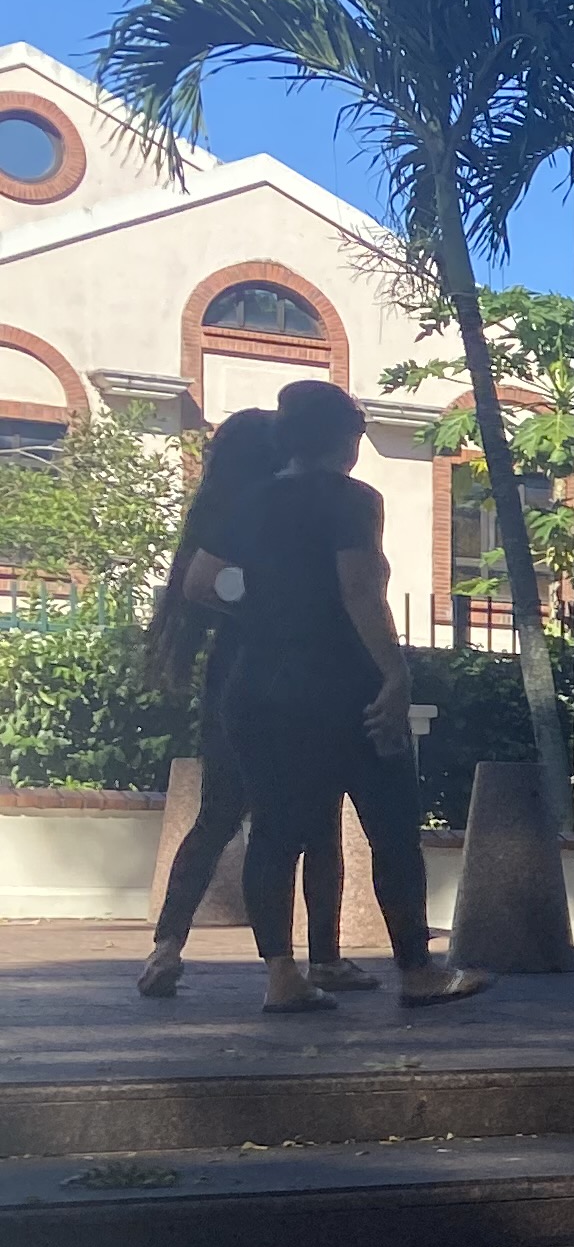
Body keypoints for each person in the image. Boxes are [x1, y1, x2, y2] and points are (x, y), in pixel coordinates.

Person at [188, 380, 483, 1014]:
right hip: (343, 686)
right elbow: (359, 591)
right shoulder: (353, 500)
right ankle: (417, 970)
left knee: (273, 831)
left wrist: (262, 608)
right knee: (391, 827)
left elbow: (201, 583)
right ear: (345, 439)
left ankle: (281, 977)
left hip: (260, 687)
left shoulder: (248, 502)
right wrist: (394, 674)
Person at [139, 409, 350, 997]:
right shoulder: (279, 506)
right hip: (292, 672)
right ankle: (318, 959)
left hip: (230, 672)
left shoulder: (219, 512)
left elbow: (200, 588)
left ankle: (166, 944)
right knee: (314, 818)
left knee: (219, 813)